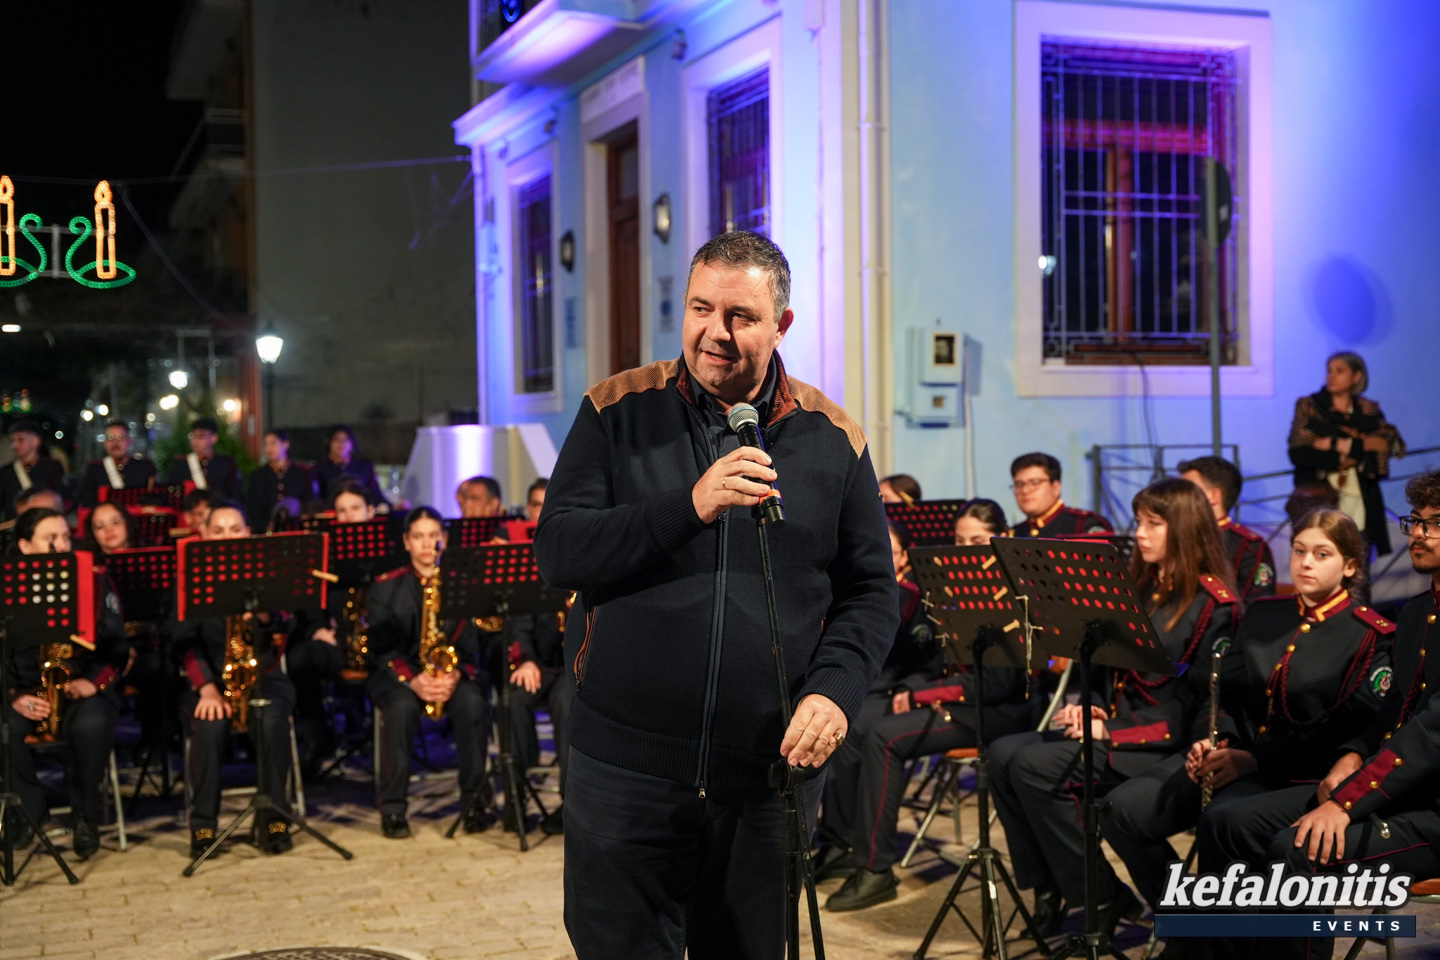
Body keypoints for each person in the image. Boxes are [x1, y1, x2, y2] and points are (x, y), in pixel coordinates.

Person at [533, 230, 897, 959]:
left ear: (781, 324)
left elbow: (869, 592)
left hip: (765, 779)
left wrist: (834, 691)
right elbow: (560, 552)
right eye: (701, 308)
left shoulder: (834, 437)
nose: (715, 333)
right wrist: (688, 507)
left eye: (741, 316)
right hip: (625, 770)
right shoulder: (616, 409)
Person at [1102, 508, 1389, 929]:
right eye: (1299, 551)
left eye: (1322, 554)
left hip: (1296, 774)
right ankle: (1184, 924)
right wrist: (1216, 738)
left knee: (1223, 823)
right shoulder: (1264, 614)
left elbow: (1340, 732)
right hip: (1235, 755)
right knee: (1121, 810)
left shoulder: (1370, 635)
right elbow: (1225, 693)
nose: (1306, 563)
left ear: (1349, 566)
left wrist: (1252, 760)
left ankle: (1208, 940)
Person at [989, 478, 1238, 945]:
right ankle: (1055, 888)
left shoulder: (1213, 606)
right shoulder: (1143, 587)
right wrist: (1094, 706)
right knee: (1000, 754)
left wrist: (1111, 730)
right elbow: (1108, 665)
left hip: (1162, 742)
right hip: (1119, 726)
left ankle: (1100, 896)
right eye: (1139, 522)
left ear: (1185, 529)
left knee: (1032, 765)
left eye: (1153, 524)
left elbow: (1197, 705)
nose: (1139, 533)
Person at [1208, 473, 1440, 960]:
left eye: (1435, 523)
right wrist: (1351, 756)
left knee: (1298, 851)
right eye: (1416, 521)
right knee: (1229, 821)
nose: (1418, 533)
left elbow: (1430, 734)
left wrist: (1348, 801)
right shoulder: (1418, 612)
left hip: (1432, 810)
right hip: (1395, 789)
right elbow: (1394, 711)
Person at [825, 500, 1031, 912]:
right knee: (856, 725)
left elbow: (998, 683)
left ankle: (876, 870)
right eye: (960, 540)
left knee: (886, 738)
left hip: (999, 710)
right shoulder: (956, 585)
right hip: (961, 697)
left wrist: (926, 694)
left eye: (977, 541)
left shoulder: (1011, 591)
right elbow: (938, 660)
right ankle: (843, 843)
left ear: (1002, 538)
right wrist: (921, 687)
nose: (966, 549)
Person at [813, 520, 940, 894]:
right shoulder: (848, 588)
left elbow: (928, 662)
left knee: (849, 728)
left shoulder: (914, 597)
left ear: (903, 558)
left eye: (891, 550)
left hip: (890, 691)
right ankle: (835, 840)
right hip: (860, 687)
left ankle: (857, 849)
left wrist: (910, 688)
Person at [166, 501, 296, 856]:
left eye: (235, 530)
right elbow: (182, 641)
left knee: (272, 719)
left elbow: (287, 625)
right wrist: (207, 689)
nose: (227, 538)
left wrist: (266, 616)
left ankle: (274, 818)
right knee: (208, 726)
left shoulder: (267, 569)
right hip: (209, 681)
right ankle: (204, 825)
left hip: (262, 675)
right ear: (203, 534)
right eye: (218, 531)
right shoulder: (188, 577)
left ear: (248, 533)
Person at [2, 508, 127, 859]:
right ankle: (30, 812)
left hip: (79, 688)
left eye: (66, 537)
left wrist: (93, 682)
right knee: (4, 726)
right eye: (50, 538)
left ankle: (85, 816)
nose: (62, 545)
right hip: (26, 690)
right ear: (25, 547)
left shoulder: (93, 580)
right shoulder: (7, 586)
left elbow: (118, 647)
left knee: (92, 723)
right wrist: (12, 695)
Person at [366, 506, 491, 839]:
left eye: (434, 536)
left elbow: (471, 645)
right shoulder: (384, 587)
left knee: (473, 704)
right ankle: (393, 808)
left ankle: (475, 803)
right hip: (401, 677)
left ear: (444, 539)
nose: (427, 544)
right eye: (419, 537)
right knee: (400, 708)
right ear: (406, 541)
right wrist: (413, 680)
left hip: (448, 674)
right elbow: (382, 649)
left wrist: (455, 674)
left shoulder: (460, 584)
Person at [1287, 351, 1404, 555]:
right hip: (1321, 494)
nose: (1331, 376)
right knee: (1322, 549)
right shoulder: (1310, 407)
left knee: (1359, 555)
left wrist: (1336, 443)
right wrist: (1352, 453)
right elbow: (1299, 452)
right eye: (1329, 371)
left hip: (1361, 493)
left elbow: (1385, 446)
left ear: (1356, 376)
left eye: (1339, 371)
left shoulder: (1368, 411)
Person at [1179, 455, 1277, 601]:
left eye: (1186, 490)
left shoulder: (1247, 546)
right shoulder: (1174, 537)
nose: (1178, 497)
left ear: (1213, 496)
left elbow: (1258, 605)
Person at [1006, 452, 1112, 538]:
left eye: (1035, 483)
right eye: (1019, 484)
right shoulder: (1015, 533)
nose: (1025, 490)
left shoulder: (1083, 524)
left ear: (1056, 487)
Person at [245, 429, 317, 530]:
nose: (269, 448)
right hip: (267, 531)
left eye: (273, 443)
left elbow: (310, 501)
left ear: (285, 444)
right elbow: (253, 507)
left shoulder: (302, 473)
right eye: (266, 444)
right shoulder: (258, 476)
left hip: (298, 528)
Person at [1, 419, 69, 522]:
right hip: (16, 526)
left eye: (20, 440)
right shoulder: (5, 472)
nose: (14, 445)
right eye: (12, 441)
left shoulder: (52, 467)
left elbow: (63, 497)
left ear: (35, 441)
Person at [77, 422, 156, 508]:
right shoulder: (94, 469)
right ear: (104, 443)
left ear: (129, 441)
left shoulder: (143, 467)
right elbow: (87, 502)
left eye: (120, 438)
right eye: (110, 438)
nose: (115, 443)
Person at [166, 418, 242, 501]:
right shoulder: (181, 463)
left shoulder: (226, 463)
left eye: (200, 436)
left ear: (214, 438)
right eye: (192, 436)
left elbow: (234, 494)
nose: (195, 440)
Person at [314, 425, 389, 507]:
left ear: (352, 443)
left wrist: (388, 506)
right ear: (329, 442)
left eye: (345, 439)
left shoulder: (364, 467)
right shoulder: (319, 468)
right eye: (336, 439)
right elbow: (317, 498)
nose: (341, 443)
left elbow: (375, 494)